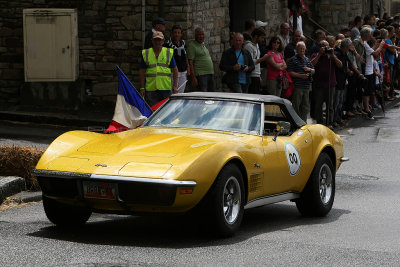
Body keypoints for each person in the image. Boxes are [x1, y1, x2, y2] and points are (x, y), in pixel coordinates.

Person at [139, 31, 178, 106]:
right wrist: (142, 88)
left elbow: (175, 70)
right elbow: (142, 71)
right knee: (152, 112)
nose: (157, 42)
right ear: (152, 41)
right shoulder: (146, 53)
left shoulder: (168, 52)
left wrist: (175, 86)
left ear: (163, 41)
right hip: (151, 88)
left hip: (165, 88)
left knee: (165, 111)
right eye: (156, 39)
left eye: (159, 40)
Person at [311, 40, 342, 125]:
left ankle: (329, 123)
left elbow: (340, 65)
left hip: (330, 84)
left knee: (330, 106)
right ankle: (319, 123)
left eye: (327, 47)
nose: (326, 49)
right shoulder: (315, 55)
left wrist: (332, 55)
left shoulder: (331, 56)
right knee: (318, 106)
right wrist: (319, 54)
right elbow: (312, 64)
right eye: (324, 47)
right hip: (319, 85)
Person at [360, 27, 385, 119]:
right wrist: (381, 46)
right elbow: (374, 53)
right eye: (370, 34)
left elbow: (371, 51)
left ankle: (366, 107)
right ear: (366, 35)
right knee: (367, 91)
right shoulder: (364, 43)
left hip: (370, 70)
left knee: (370, 90)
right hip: (367, 71)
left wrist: (376, 45)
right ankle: (366, 109)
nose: (371, 36)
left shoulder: (366, 43)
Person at [287, 41, 315, 121]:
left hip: (306, 86)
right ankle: (296, 122)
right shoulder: (293, 59)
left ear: (305, 49)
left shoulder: (307, 59)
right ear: (297, 49)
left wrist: (309, 69)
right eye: (300, 49)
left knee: (305, 106)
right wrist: (301, 76)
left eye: (303, 48)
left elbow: (313, 71)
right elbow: (290, 72)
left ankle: (303, 122)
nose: (302, 50)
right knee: (296, 105)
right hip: (297, 86)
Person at [165, 25, 189, 93]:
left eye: (178, 33)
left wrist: (188, 67)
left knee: (181, 91)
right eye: (175, 32)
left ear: (181, 34)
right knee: (173, 91)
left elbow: (185, 55)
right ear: (172, 33)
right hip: (173, 71)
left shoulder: (183, 43)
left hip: (183, 70)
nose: (177, 34)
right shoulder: (168, 44)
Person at [243, 28, 268, 94]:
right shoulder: (248, 46)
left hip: (256, 74)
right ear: (256, 36)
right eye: (262, 38)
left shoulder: (257, 45)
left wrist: (259, 75)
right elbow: (250, 62)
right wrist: (263, 58)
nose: (263, 40)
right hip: (251, 75)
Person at [333, 38, 351, 126]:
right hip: (337, 80)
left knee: (340, 101)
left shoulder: (344, 54)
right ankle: (335, 119)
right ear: (346, 46)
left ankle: (339, 118)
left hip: (342, 80)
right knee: (336, 101)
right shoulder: (337, 53)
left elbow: (347, 64)